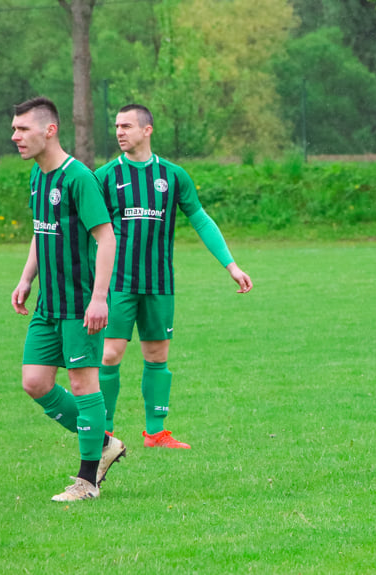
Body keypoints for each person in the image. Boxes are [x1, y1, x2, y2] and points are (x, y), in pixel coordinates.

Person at [95, 104, 253, 450]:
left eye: (127, 126)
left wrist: (232, 265)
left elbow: (200, 219)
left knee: (156, 355)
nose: (119, 132)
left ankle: (156, 432)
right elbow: (87, 228)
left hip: (160, 282)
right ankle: (103, 431)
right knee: (109, 355)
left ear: (147, 130)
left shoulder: (173, 176)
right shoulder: (105, 176)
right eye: (117, 126)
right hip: (117, 282)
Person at [10, 97, 126, 501]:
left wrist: (99, 299)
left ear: (49, 130)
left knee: (82, 385)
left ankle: (87, 480)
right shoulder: (37, 178)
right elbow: (42, 232)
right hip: (48, 304)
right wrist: (27, 278)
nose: (15, 137)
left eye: (23, 129)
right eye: (14, 129)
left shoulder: (78, 178)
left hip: (80, 303)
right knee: (35, 381)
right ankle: (106, 441)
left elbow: (106, 237)